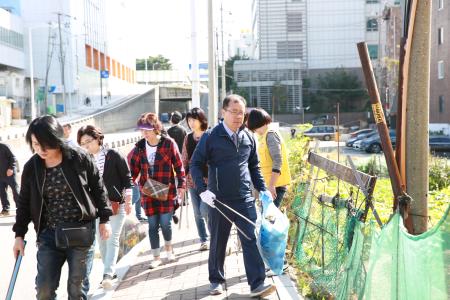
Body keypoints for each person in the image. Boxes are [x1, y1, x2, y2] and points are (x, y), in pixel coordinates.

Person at [12, 115, 112, 300]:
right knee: (44, 290)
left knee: (76, 290)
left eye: (44, 144)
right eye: (35, 144)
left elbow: (99, 188)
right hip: (49, 235)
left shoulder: (79, 158)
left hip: (80, 231)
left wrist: (104, 220)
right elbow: (24, 204)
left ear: (56, 138)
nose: (40, 149)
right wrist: (19, 235)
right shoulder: (31, 168)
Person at [190, 94, 276, 297]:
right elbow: (195, 163)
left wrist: (263, 189)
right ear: (223, 112)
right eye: (234, 112)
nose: (239, 117)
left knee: (250, 238)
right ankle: (216, 281)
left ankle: (257, 284)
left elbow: (253, 166)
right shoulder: (211, 136)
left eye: (242, 113)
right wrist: (203, 191)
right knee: (219, 241)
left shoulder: (248, 137)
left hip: (245, 197)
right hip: (218, 200)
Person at [77, 125, 133, 289]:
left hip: (116, 204)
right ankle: (111, 270)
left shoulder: (113, 155)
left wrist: (128, 200)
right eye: (82, 143)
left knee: (112, 238)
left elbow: (127, 178)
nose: (86, 145)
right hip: (96, 208)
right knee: (101, 242)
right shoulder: (84, 160)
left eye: (88, 141)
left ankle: (107, 274)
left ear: (98, 138)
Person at [129, 112, 186, 269]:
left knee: (165, 223)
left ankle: (169, 250)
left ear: (155, 128)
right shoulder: (139, 147)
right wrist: (126, 190)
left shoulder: (168, 144)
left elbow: (179, 166)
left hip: (167, 190)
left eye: (147, 129)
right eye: (142, 130)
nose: (144, 133)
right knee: (152, 225)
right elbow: (132, 171)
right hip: (148, 191)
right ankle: (156, 257)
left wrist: (181, 185)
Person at [247, 108, 292, 208]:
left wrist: (271, 185)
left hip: (276, 186)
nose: (254, 131)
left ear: (255, 124)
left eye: (253, 128)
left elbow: (277, 160)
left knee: (270, 219)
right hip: (270, 185)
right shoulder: (264, 136)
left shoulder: (270, 135)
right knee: (268, 218)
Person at [181, 107, 209, 251]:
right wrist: (182, 178)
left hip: (208, 181)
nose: (191, 123)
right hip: (192, 180)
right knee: (197, 212)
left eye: (194, 120)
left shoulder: (209, 135)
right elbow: (184, 158)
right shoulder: (188, 137)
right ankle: (204, 239)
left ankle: (214, 235)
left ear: (201, 119)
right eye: (189, 120)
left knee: (206, 210)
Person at [0, 142, 20, 215]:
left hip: (10, 173)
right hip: (0, 176)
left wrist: (11, 168)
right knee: (2, 193)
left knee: (15, 190)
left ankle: (20, 208)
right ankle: (6, 209)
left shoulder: (4, 146)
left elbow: (13, 157)